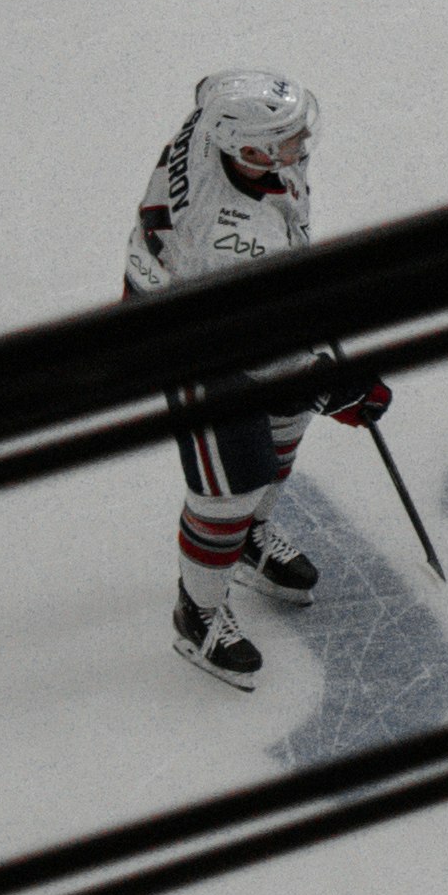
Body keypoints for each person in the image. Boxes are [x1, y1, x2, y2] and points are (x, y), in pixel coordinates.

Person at [123, 69, 387, 693]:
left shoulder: (227, 135)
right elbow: (264, 358)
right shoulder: (227, 235)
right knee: (230, 487)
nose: (301, 143)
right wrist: (334, 388)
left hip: (239, 308)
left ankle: (247, 543)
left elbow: (208, 84)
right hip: (193, 339)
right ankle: (199, 611)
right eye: (286, 137)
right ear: (248, 149)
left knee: (283, 427)